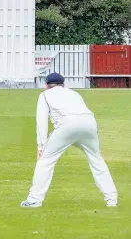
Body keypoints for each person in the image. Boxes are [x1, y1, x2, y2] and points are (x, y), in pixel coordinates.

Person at [21, 72, 118, 208]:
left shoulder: (44, 95)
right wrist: (97, 146)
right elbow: (85, 113)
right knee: (97, 160)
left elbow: (41, 121)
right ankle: (112, 199)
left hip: (66, 126)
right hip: (89, 125)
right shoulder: (74, 93)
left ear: (46, 85)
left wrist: (41, 147)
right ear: (63, 84)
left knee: (45, 161)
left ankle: (34, 200)